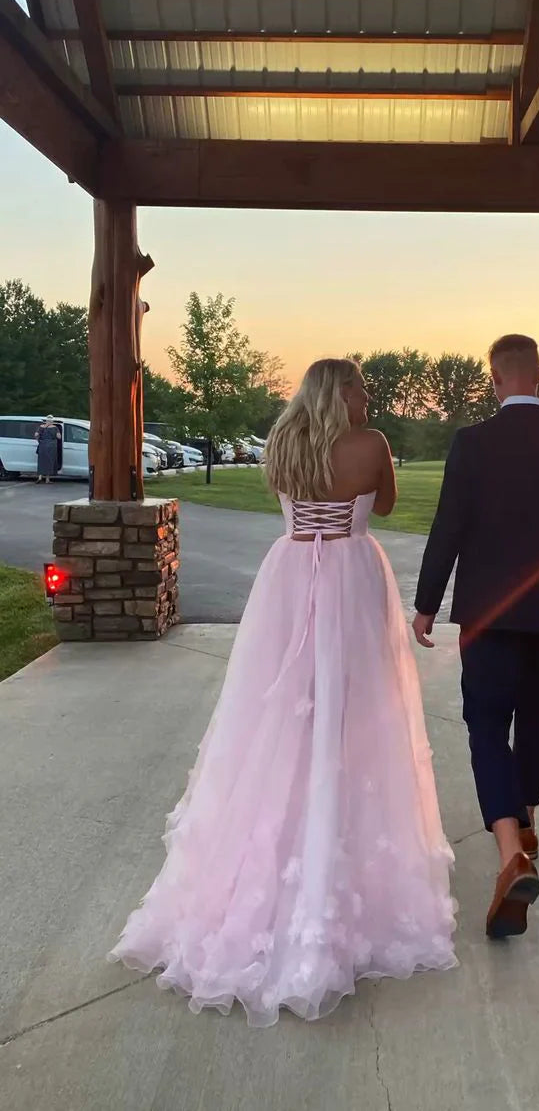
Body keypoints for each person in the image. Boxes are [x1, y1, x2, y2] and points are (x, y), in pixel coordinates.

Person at [108, 358, 456, 1025]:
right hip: (352, 575)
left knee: (282, 705)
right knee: (358, 707)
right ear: (340, 392)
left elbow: (285, 499)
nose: (368, 394)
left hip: (291, 573)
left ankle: (287, 830)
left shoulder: (282, 442)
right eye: (360, 385)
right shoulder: (372, 443)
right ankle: (338, 843)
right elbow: (384, 505)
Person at [413, 334, 539, 940]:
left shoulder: (472, 443)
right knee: (537, 715)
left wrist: (426, 603)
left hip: (489, 612)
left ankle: (510, 855)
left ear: (494, 378)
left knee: (486, 723)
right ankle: (524, 819)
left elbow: (449, 526)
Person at [35, 416, 61, 484]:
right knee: (49, 462)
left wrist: (39, 440)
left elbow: (36, 434)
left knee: (41, 461)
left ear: (46, 421)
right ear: (52, 421)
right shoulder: (55, 428)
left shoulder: (41, 427)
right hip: (51, 446)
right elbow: (59, 437)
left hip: (42, 445)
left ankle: (40, 477)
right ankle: (47, 479)